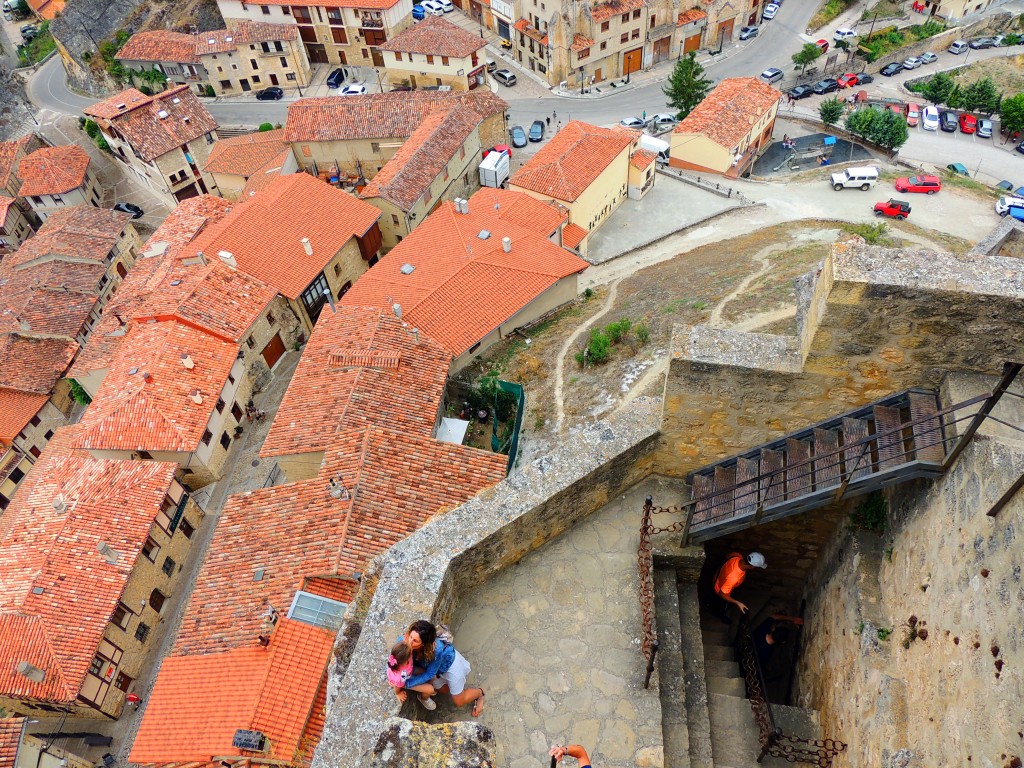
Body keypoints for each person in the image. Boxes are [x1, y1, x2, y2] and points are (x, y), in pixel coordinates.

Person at [396, 620, 486, 716]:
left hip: (450, 665)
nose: (410, 642)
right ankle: (451, 686)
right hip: (435, 668)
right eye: (410, 637)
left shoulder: (436, 649)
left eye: (415, 641)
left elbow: (430, 674)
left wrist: (406, 684)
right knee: (444, 690)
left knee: (459, 701)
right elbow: (393, 660)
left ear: (424, 644)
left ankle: (480, 693)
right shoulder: (403, 642)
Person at [713, 551, 766, 620]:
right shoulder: (733, 577)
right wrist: (737, 602)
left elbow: (726, 556)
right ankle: (720, 614)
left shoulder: (736, 555)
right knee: (722, 605)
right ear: (751, 566)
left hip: (719, 579)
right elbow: (722, 594)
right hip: (720, 589)